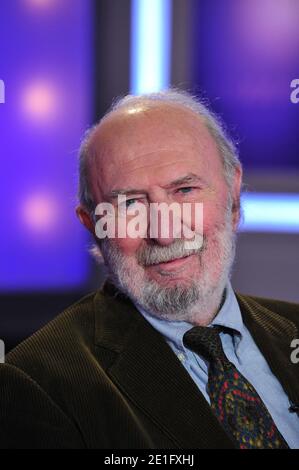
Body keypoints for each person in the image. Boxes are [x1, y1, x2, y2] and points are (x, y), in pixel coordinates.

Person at [0, 89, 298, 449]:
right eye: (130, 204)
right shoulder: (38, 383)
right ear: (92, 223)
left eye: (185, 190)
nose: (165, 231)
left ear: (233, 197)